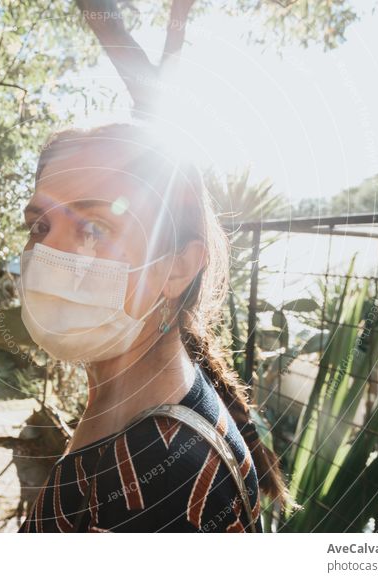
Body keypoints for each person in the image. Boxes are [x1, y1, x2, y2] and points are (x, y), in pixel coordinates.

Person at [16, 122, 289, 532]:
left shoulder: (164, 485)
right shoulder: (148, 415)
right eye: (40, 226)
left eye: (94, 228)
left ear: (177, 267)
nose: (48, 253)